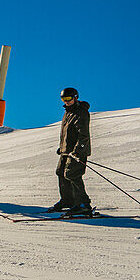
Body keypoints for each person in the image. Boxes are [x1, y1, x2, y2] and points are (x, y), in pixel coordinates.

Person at [48, 87, 93, 215]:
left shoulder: (81, 112)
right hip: (66, 151)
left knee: (72, 174)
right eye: (63, 99)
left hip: (78, 152)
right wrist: (62, 147)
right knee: (61, 172)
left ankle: (83, 204)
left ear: (75, 97)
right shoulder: (68, 112)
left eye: (68, 99)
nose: (66, 102)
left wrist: (78, 150)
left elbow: (83, 134)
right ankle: (67, 201)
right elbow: (68, 133)